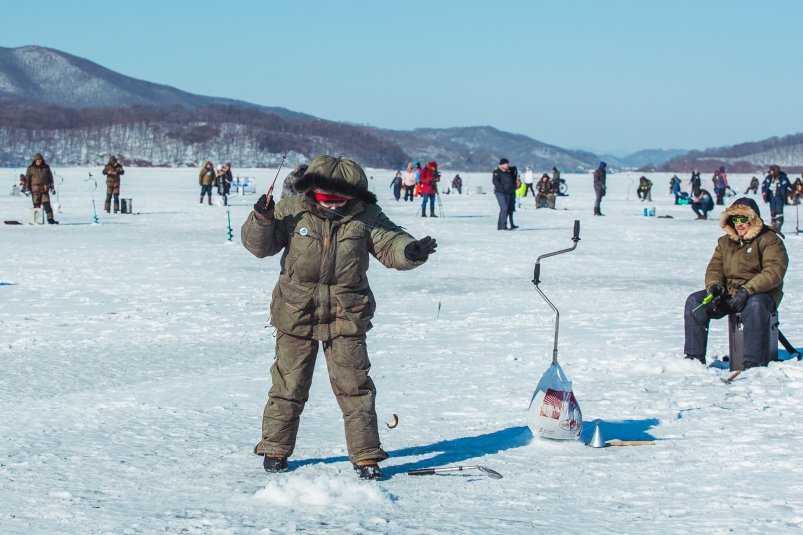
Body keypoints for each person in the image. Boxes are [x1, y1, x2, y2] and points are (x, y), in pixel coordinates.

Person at [240, 154, 436, 481]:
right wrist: (261, 219)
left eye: (341, 195)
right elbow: (259, 247)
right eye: (326, 194)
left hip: (348, 313)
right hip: (295, 312)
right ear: (312, 187)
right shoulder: (290, 208)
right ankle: (275, 449)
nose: (333, 201)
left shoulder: (365, 214)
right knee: (288, 385)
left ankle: (366, 457)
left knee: (355, 386)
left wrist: (409, 251)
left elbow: (391, 241)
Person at [684, 197, 788, 368]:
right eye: (735, 219)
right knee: (695, 302)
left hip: (761, 294)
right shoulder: (725, 242)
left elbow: (774, 272)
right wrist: (715, 287)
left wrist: (747, 291)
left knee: (755, 306)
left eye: (744, 219)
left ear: (753, 219)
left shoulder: (770, 240)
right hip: (730, 293)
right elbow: (714, 268)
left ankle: (753, 362)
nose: (739, 224)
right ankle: (694, 359)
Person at [24, 152, 58, 224]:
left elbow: (50, 178)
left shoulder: (46, 168)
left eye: (40, 160)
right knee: (36, 205)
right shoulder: (31, 169)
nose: (39, 162)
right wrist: (26, 188)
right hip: (35, 190)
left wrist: (52, 187)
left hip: (44, 189)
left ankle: (50, 219)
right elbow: (27, 179)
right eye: (37, 161)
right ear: (35, 161)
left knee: (47, 205)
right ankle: (36, 220)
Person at [762, 165, 792, 231]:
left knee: (779, 212)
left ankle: (778, 226)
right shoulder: (768, 178)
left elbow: (788, 187)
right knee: (773, 213)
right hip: (771, 198)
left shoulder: (783, 178)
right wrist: (764, 192)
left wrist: (788, 194)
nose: (770, 172)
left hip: (779, 198)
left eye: (771, 170)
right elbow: (763, 185)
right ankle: (773, 226)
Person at [492, 159, 517, 230]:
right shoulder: (497, 171)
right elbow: (495, 181)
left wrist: (513, 186)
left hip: (508, 192)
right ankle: (503, 225)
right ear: (502, 164)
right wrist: (502, 187)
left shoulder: (508, 172)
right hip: (500, 192)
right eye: (506, 164)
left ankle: (500, 225)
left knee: (505, 209)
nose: (508, 165)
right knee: (504, 208)